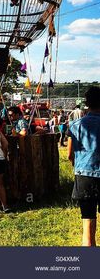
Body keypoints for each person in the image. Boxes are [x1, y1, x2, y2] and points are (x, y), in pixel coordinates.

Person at [68, 86, 100, 246]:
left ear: (86, 103)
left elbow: (69, 154)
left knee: (87, 225)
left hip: (84, 177)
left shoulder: (75, 125)